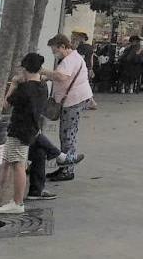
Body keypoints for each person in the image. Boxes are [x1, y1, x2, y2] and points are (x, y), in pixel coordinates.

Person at [0, 53, 48, 214]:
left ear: (24, 68)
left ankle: (17, 202)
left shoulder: (24, 89)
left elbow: (5, 104)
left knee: (17, 165)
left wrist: (13, 85)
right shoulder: (42, 87)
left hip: (18, 129)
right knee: (8, 161)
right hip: (31, 128)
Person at [42, 34, 93, 182]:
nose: (54, 53)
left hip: (73, 101)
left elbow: (62, 76)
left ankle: (67, 169)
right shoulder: (72, 58)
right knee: (67, 134)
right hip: (74, 99)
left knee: (68, 135)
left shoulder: (70, 60)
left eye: (55, 50)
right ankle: (64, 167)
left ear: (63, 46)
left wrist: (43, 72)